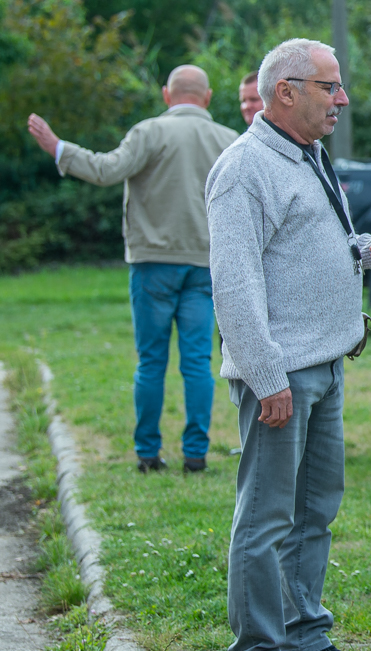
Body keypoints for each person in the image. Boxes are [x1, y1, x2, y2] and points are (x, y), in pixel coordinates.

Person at [206, 38, 371, 651]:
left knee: (314, 511)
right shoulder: (244, 169)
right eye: (329, 86)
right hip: (281, 376)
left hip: (324, 364)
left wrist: (362, 250)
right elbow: (235, 284)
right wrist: (267, 376)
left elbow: (300, 246)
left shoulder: (307, 154)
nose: (341, 98)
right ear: (286, 92)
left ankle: (304, 637)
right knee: (266, 519)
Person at [27, 65, 240, 473]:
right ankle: (195, 454)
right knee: (198, 362)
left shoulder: (149, 132)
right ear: (208, 97)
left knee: (151, 361)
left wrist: (58, 147)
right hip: (203, 264)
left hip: (152, 264)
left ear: (166, 95)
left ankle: (147, 454)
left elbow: (106, 170)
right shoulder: (229, 140)